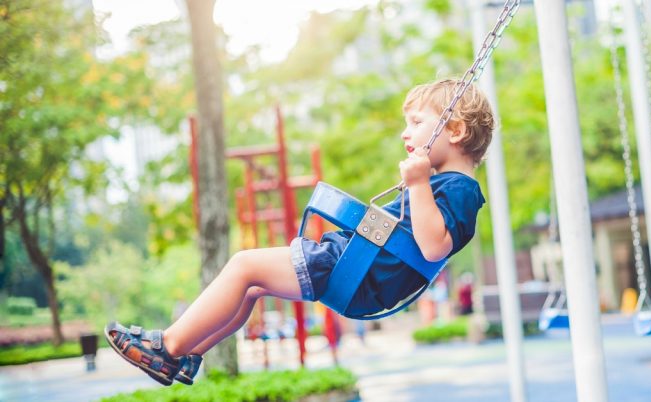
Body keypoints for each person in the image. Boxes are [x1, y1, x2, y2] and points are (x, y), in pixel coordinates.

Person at [104, 78, 494, 386]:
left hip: (351, 270)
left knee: (243, 267)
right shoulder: (449, 187)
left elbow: (432, 246)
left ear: (454, 129)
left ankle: (168, 345)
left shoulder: (459, 190)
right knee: (253, 287)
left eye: (417, 122)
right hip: (355, 269)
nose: (405, 134)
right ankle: (188, 355)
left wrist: (418, 184)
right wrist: (420, 184)